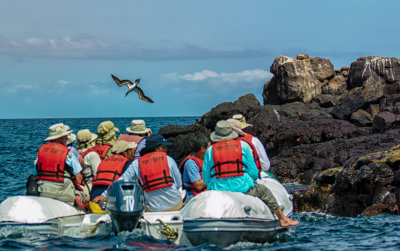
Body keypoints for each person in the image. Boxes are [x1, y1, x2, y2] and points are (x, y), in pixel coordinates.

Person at [202, 120, 299, 227]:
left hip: (218, 188)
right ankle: (283, 218)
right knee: (265, 192)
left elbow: (206, 178)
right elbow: (253, 172)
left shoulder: (210, 151)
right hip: (242, 186)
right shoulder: (242, 146)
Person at [94, 134, 183, 212]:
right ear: (158, 148)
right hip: (174, 205)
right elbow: (179, 184)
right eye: (164, 147)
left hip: (154, 207)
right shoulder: (169, 160)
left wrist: (103, 196)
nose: (166, 150)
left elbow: (120, 182)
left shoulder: (137, 163)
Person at [33, 123, 89, 209]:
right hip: (64, 193)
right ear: (60, 138)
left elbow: (35, 174)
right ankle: (79, 208)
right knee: (86, 196)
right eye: (65, 136)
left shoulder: (40, 153)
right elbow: (79, 177)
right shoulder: (68, 153)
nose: (67, 138)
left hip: (44, 192)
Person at [179, 134, 210, 202]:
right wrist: (213, 176)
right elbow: (198, 186)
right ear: (202, 149)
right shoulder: (191, 163)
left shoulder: (205, 159)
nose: (210, 150)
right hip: (193, 195)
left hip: (206, 193)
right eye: (208, 148)